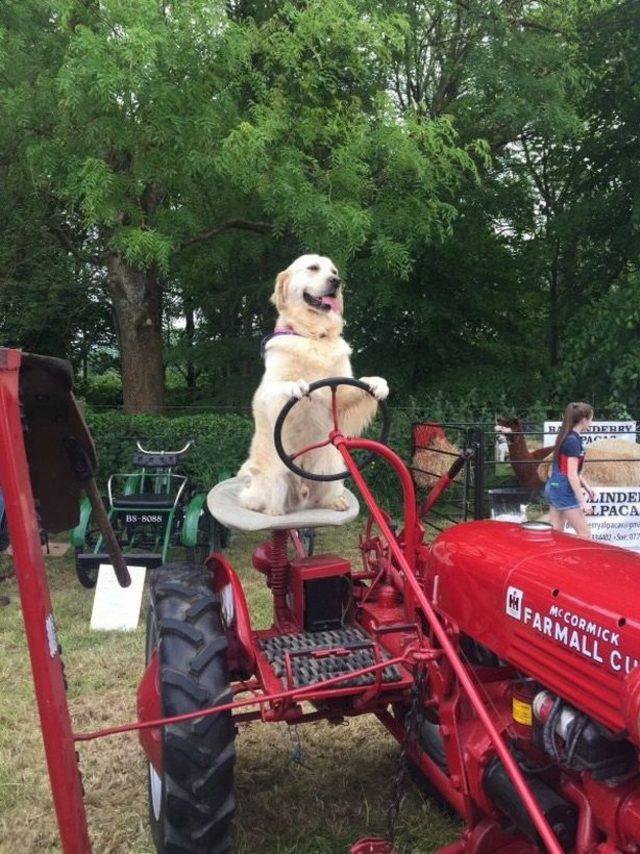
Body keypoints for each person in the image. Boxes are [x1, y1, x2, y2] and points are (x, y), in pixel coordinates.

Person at [544, 402, 596, 539]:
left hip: (553, 487)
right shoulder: (573, 441)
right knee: (585, 535)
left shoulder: (566, 437)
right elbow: (571, 474)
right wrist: (583, 503)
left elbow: (568, 469)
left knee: (556, 535)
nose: (592, 422)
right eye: (591, 418)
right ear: (584, 420)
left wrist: (587, 487)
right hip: (563, 490)